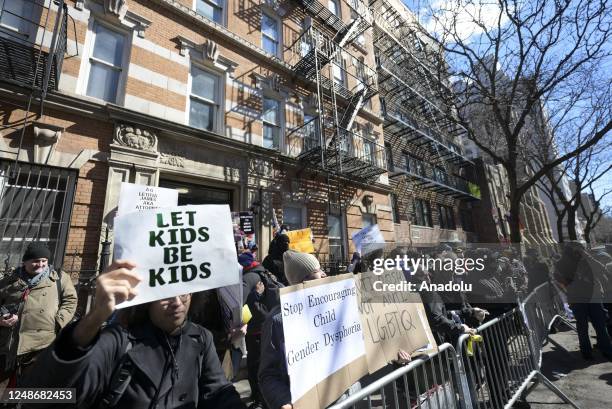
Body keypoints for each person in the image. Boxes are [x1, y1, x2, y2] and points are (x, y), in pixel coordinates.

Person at [19, 260, 246, 409]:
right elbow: (37, 395)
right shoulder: (119, 340)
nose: (177, 303)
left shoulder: (200, 338)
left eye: (183, 292)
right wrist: (95, 317)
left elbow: (218, 393)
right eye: (165, 295)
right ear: (147, 300)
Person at [0, 242, 77, 385]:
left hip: (42, 343)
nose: (40, 264)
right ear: (25, 261)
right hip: (9, 343)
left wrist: (57, 322)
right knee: (5, 390)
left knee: (35, 388)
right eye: (36, 261)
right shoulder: (10, 280)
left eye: (44, 261)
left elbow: (71, 300)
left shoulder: (60, 278)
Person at [239, 252, 283, 409]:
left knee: (255, 365)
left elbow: (239, 299)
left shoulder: (249, 277)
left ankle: (260, 400)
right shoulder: (263, 272)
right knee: (265, 365)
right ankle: (263, 399)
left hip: (256, 329)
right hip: (267, 325)